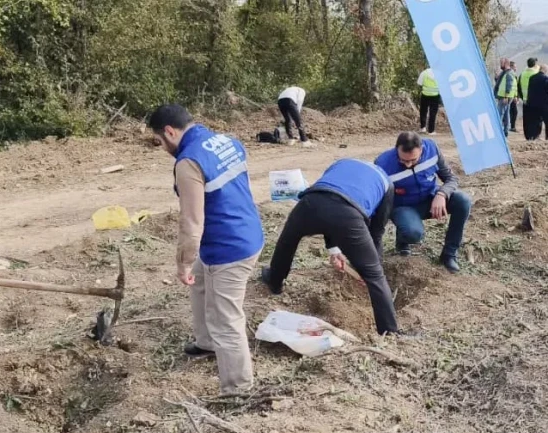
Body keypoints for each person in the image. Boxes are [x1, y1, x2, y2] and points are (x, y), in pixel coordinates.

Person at [148, 104, 264, 394]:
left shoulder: (188, 162)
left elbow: (191, 221)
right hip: (246, 232)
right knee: (199, 282)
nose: (162, 148)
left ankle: (238, 388)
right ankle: (206, 343)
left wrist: (183, 262)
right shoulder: (227, 141)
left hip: (229, 248)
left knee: (225, 319)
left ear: (170, 132)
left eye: (160, 142)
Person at [260, 158, 401, 336]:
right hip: (348, 215)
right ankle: (390, 332)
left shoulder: (342, 163)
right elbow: (376, 231)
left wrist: (335, 249)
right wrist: (370, 266)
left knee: (288, 240)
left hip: (310, 204)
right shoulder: (387, 183)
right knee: (375, 275)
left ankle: (274, 281)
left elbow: (328, 197)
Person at [374, 132, 472, 274]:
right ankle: (403, 240)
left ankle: (449, 255)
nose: (408, 164)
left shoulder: (432, 149)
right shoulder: (383, 164)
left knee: (463, 201)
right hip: (403, 206)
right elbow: (378, 198)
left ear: (422, 149)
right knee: (413, 233)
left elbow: (451, 178)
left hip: (431, 198)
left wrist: (441, 194)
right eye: (403, 160)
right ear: (397, 150)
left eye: (413, 160)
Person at [494, 58, 517, 137]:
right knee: (506, 114)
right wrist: (496, 77)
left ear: (506, 64)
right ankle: (505, 131)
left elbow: (509, 85)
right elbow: (500, 83)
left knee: (500, 114)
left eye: (502, 63)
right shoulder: (504, 73)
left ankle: (498, 131)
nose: (500, 65)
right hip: (503, 96)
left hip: (505, 97)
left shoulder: (509, 73)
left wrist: (506, 96)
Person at [519, 58, 540, 140]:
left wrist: (522, 97)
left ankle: (528, 136)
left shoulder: (523, 74)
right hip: (534, 101)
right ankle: (534, 136)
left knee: (526, 119)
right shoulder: (536, 73)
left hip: (525, 100)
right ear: (534, 64)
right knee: (535, 119)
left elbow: (519, 87)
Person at [527, 64, 548, 140]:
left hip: (533, 104)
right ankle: (547, 137)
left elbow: (529, 90)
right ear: (545, 70)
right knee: (546, 121)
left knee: (535, 121)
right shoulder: (545, 79)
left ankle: (535, 136)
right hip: (544, 104)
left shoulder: (532, 78)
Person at [417, 66, 440, 135]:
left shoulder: (424, 73)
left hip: (425, 94)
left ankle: (423, 127)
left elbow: (419, 83)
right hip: (435, 95)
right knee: (433, 113)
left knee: (423, 111)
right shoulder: (439, 74)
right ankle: (431, 130)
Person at [509, 61, 519, 133]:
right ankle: (510, 127)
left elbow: (516, 87)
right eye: (515, 67)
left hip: (512, 96)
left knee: (513, 112)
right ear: (511, 67)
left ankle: (512, 127)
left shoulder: (514, 75)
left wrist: (516, 96)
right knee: (511, 112)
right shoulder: (511, 74)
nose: (516, 68)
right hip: (509, 97)